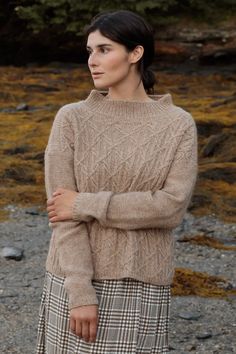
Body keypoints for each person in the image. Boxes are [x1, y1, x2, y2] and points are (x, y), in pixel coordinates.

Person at [35, 9, 198, 354]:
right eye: (89, 51)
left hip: (144, 286)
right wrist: (79, 292)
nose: (92, 61)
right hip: (76, 280)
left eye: (104, 49)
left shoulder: (178, 124)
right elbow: (61, 218)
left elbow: (169, 208)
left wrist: (84, 203)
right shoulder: (71, 119)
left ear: (135, 53)